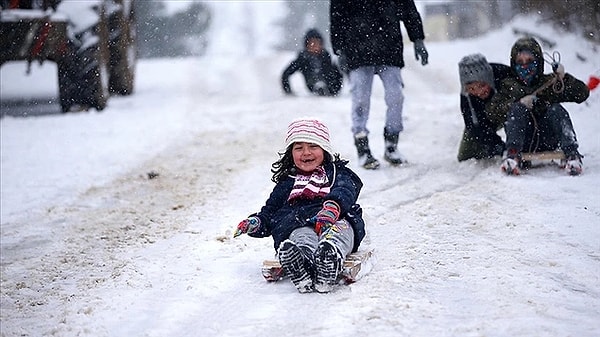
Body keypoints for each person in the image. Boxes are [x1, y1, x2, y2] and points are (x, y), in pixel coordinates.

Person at [233, 118, 366, 293]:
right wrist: (256, 223)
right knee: (301, 237)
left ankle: (329, 259)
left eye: (313, 146)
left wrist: (332, 207)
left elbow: (345, 189)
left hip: (335, 220)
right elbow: (270, 212)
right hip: (300, 223)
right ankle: (301, 263)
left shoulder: (336, 173)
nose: (306, 152)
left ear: (324, 149)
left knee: (338, 234)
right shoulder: (287, 182)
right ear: (291, 153)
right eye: (298, 148)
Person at [330, 0, 429, 169]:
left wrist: (418, 39)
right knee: (360, 99)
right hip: (357, 49)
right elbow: (337, 18)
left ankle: (392, 144)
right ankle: (362, 147)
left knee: (395, 96)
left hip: (389, 47)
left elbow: (408, 9)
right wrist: (339, 50)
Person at [492, 37, 590, 176]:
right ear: (514, 64)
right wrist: (517, 104)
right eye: (520, 62)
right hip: (522, 140)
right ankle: (512, 155)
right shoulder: (508, 86)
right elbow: (493, 111)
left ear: (538, 62)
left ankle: (572, 153)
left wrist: (564, 79)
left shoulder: (549, 83)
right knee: (517, 110)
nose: (525, 66)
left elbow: (582, 94)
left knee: (556, 109)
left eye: (530, 61)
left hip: (547, 138)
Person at [457, 54, 512, 161]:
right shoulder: (466, 97)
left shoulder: (505, 76)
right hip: (485, 118)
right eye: (471, 89)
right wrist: (497, 146)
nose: (479, 92)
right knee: (465, 155)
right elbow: (473, 126)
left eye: (482, 85)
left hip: (509, 112)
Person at [281, 29, 343, 97]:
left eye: (317, 43)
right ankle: (319, 87)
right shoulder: (302, 59)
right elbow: (286, 74)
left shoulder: (326, 57)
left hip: (330, 89)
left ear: (321, 44)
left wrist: (336, 90)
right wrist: (288, 92)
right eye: (311, 43)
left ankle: (323, 87)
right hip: (312, 86)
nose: (314, 46)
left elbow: (338, 74)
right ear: (306, 45)